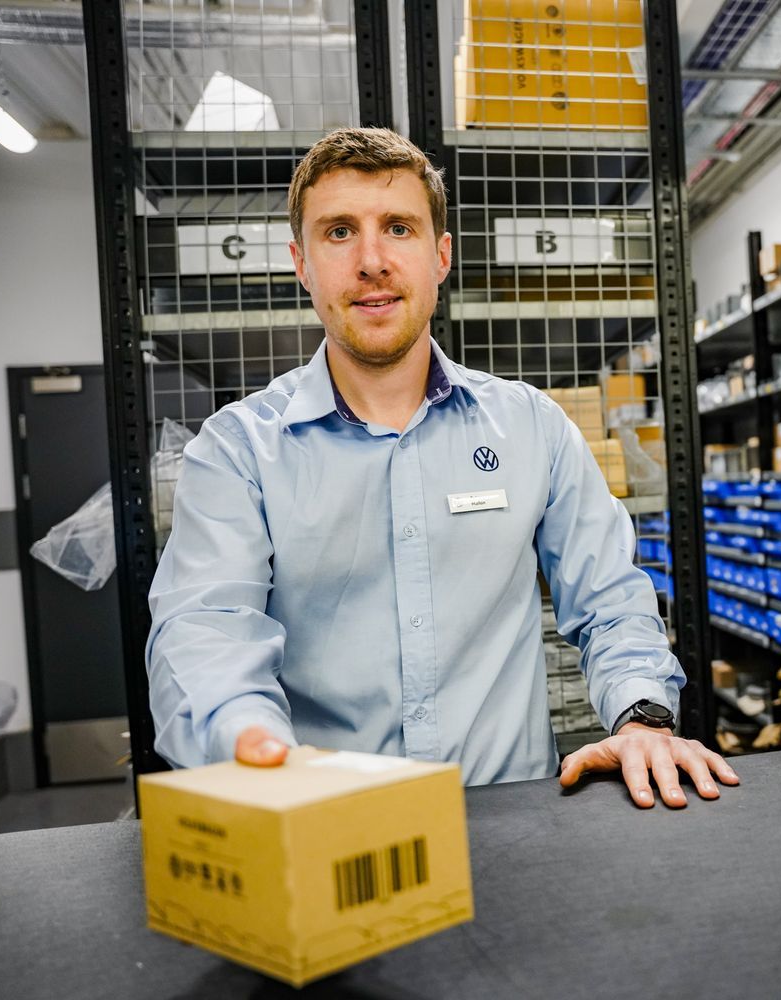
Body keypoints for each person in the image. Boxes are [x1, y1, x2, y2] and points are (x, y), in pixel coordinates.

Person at [146, 127, 737, 809]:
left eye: (398, 227)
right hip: (328, 829)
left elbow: (609, 600)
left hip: (514, 825)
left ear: (441, 255)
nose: (371, 260)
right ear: (301, 263)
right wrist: (249, 743)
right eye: (339, 232)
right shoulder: (237, 452)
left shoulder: (531, 426)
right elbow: (205, 629)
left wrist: (643, 717)